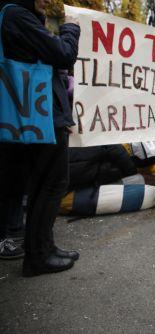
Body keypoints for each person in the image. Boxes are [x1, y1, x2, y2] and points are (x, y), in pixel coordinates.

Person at [0, 0, 80, 276]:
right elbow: (63, 54)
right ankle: (38, 256)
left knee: (51, 184)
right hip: (41, 117)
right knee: (49, 185)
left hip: (45, 114)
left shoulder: (22, 16)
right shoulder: (17, 15)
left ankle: (46, 247)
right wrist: (71, 28)